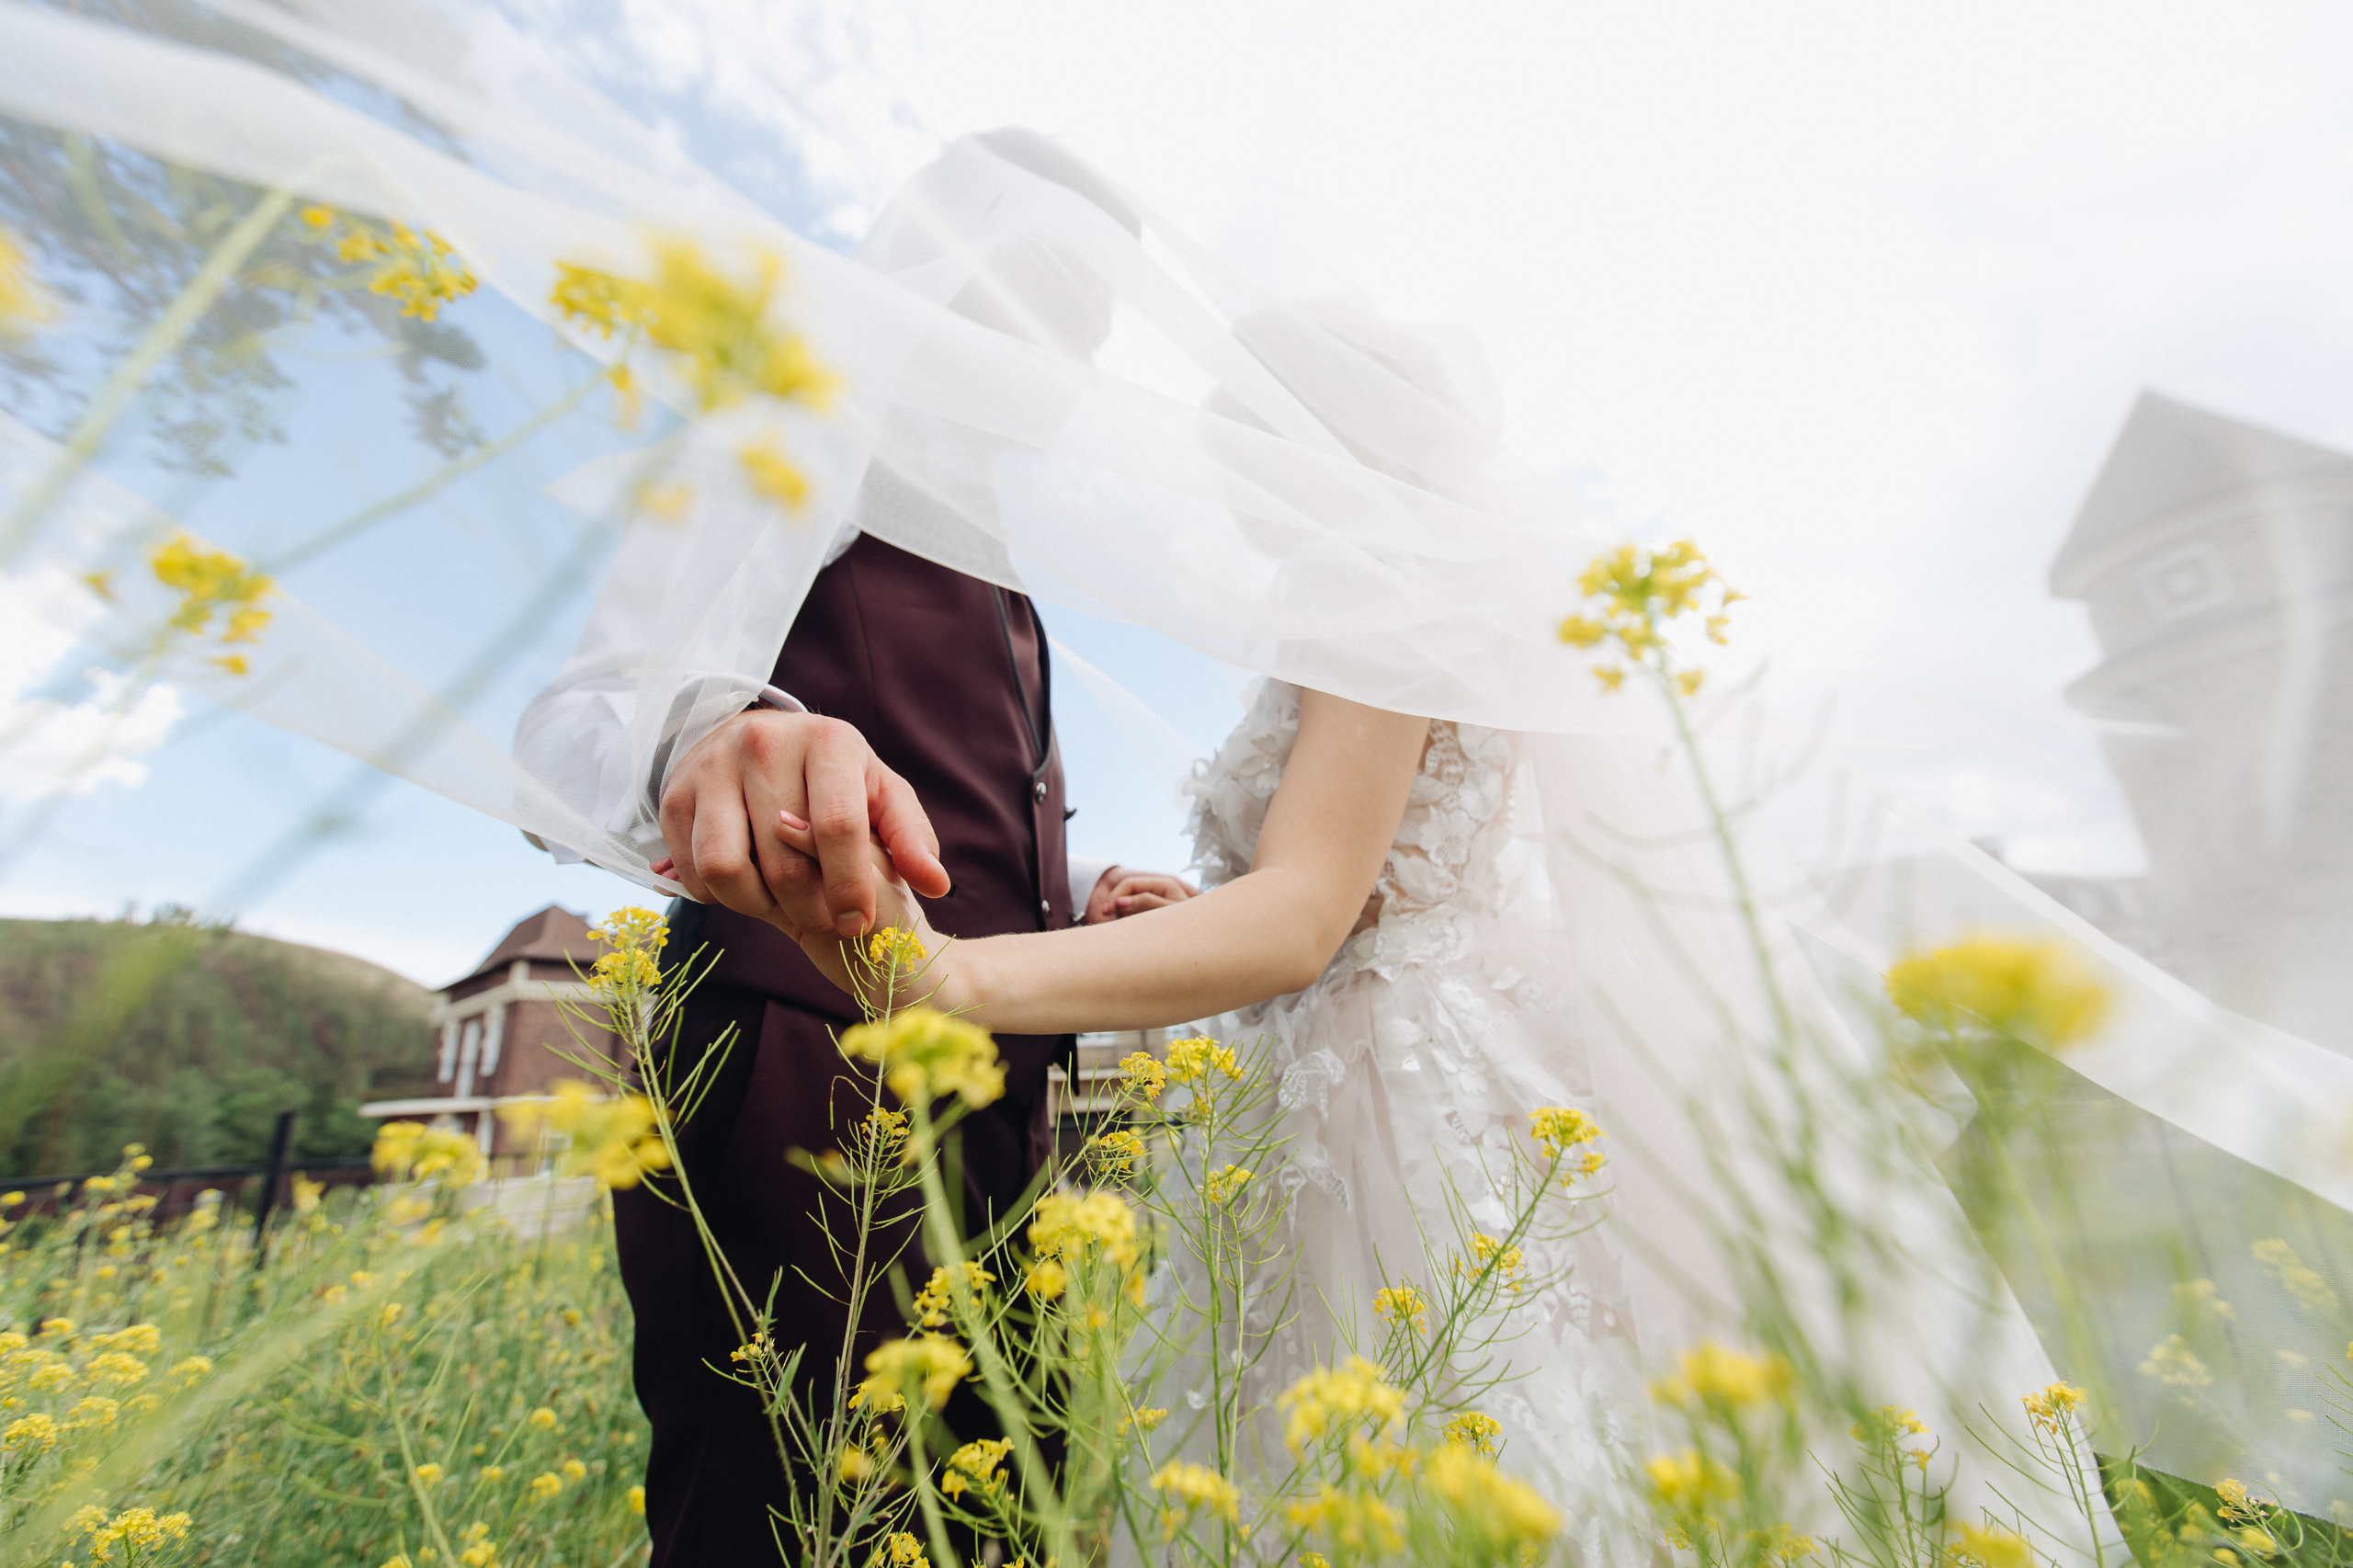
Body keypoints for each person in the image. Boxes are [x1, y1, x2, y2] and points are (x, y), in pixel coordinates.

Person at [524, 129, 1199, 1567]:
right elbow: (571, 724)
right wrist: (711, 735)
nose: (1068, 364)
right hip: (799, 1065)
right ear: (940, 272)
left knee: (998, 1509)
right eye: (1042, 306)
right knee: (795, 1511)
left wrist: (1081, 890)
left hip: (1001, 1100)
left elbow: (962, 801)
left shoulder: (999, 550)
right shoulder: (794, 438)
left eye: (1090, 333)